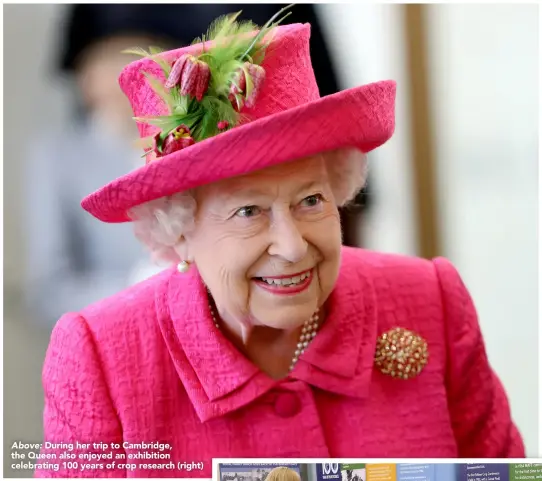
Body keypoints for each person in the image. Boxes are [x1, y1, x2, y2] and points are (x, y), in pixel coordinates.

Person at [36, 7, 524, 479]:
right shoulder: (102, 357)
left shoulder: (430, 302)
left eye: (311, 200)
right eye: (249, 212)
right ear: (178, 229)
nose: (292, 246)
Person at [25, 3, 349, 327]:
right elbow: (49, 288)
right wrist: (141, 285)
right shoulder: (59, 156)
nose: (137, 71)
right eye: (114, 60)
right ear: (86, 76)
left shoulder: (210, 137)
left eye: (147, 55)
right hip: (129, 327)